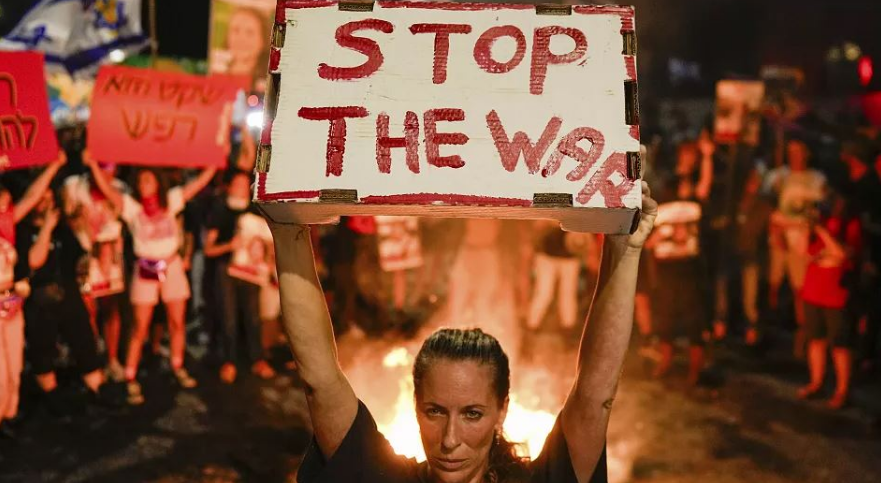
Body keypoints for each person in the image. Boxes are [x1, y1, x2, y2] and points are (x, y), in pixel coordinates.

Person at [269, 181, 657, 483]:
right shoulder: (384, 477)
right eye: (435, 411)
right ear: (415, 406)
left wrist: (625, 249)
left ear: (502, 410)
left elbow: (595, 394)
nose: (450, 439)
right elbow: (319, 380)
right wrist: (287, 233)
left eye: (472, 414)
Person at [84, 152, 217, 405]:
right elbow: (105, 188)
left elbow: (197, 185)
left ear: (158, 182)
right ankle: (130, 375)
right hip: (144, 270)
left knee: (176, 321)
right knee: (139, 326)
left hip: (172, 265)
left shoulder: (172, 201)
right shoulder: (131, 207)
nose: (144, 185)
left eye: (148, 180)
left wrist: (213, 163)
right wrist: (92, 164)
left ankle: (178, 366)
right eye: (140, 181)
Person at [17, 183, 122, 418]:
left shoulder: (63, 229)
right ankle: (51, 395)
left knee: (83, 339)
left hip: (68, 293)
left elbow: (84, 250)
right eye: (39, 199)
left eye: (48, 197)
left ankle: (96, 387)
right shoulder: (23, 230)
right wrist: (46, 228)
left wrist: (83, 223)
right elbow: (34, 260)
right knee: (42, 348)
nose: (44, 203)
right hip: (41, 299)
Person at [0, 153, 66, 437]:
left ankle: (9, 416)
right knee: (0, 371)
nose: (4, 208)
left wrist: (53, 165)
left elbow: (32, 195)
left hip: (12, 302)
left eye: (6, 204)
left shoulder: (9, 228)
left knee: (14, 363)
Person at [204, 171, 275, 383]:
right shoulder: (220, 211)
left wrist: (268, 258)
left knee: (253, 317)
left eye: (246, 184)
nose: (241, 188)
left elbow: (268, 241)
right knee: (228, 317)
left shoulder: (256, 210)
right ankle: (229, 361)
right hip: (226, 270)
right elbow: (208, 249)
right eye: (237, 183)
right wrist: (229, 246)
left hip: (251, 271)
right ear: (229, 186)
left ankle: (257, 359)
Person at [62, 160, 129, 381]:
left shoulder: (119, 188)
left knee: (111, 309)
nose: (104, 171)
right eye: (100, 166)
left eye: (108, 167)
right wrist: (76, 217)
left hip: (111, 259)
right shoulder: (74, 186)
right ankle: (91, 358)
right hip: (84, 257)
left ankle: (112, 359)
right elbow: (65, 216)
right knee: (87, 310)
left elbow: (120, 207)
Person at [797, 192, 862, 410]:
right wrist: (810, 229)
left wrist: (823, 234)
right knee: (816, 339)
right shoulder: (819, 223)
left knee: (840, 345)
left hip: (836, 294)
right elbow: (804, 253)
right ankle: (816, 382)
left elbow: (841, 255)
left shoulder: (851, 225)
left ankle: (842, 390)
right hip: (814, 290)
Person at [766, 139, 826, 357]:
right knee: (773, 284)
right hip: (779, 239)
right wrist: (775, 229)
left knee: (799, 288)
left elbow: (819, 209)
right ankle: (770, 330)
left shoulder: (817, 179)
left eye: (799, 151)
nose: (794, 156)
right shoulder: (778, 177)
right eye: (790, 151)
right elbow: (767, 204)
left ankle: (803, 336)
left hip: (801, 239)